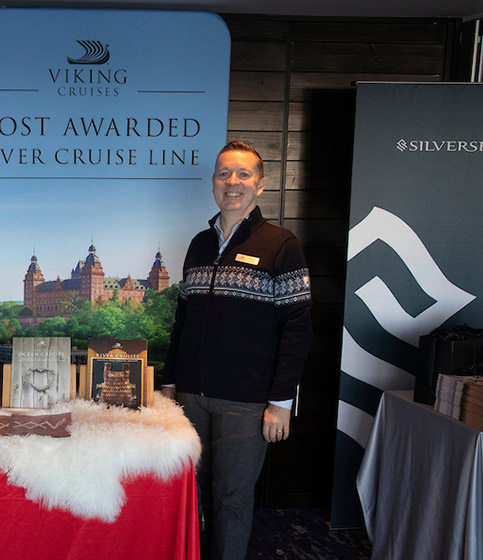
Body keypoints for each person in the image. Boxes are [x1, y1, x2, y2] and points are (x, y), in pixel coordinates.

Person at [161, 141, 312, 560]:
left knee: (231, 497)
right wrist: (170, 382)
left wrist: (281, 402)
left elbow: (298, 330)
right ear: (213, 183)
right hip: (190, 396)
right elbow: (183, 321)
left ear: (260, 185)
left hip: (246, 402)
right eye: (224, 173)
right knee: (190, 492)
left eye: (243, 174)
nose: (233, 182)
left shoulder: (282, 244)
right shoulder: (198, 245)